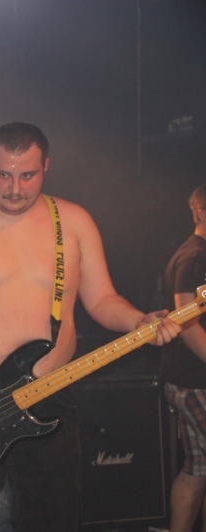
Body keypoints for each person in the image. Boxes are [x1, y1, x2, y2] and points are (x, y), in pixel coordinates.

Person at [0, 121, 180, 531]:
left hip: (49, 396)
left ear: (46, 167)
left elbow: (101, 300)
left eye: (27, 175)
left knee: (54, 519)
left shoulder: (73, 222)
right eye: (3, 174)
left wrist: (139, 321)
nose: (14, 188)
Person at [162, 183, 206, 532]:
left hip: (193, 380)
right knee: (197, 468)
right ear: (201, 212)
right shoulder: (194, 257)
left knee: (198, 467)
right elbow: (186, 322)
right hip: (195, 381)